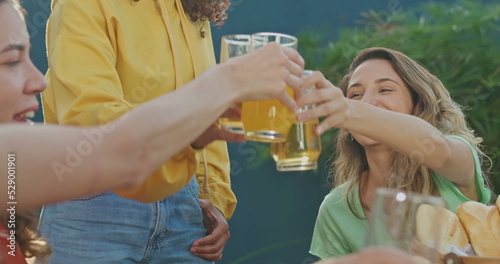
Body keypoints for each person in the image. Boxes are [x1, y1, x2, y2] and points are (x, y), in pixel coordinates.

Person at [0, 0, 304, 263]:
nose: (38, 81)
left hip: (186, 210)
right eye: (12, 61)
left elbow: (212, 120)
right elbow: (94, 126)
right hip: (95, 203)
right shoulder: (84, 4)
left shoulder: (191, 10)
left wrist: (214, 198)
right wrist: (227, 82)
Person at [295, 47, 492, 259]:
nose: (367, 103)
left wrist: (349, 109)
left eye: (385, 90)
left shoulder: (454, 161)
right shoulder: (336, 207)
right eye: (355, 95)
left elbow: (438, 148)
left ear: (418, 104)